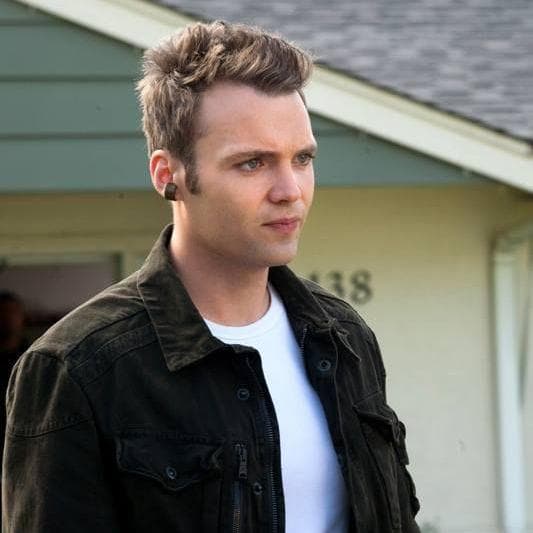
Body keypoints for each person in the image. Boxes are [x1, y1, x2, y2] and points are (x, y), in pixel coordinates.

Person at [2, 21, 420, 532]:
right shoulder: (77, 369)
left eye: (302, 158)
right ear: (168, 175)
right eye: (252, 163)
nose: (290, 190)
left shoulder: (344, 337)